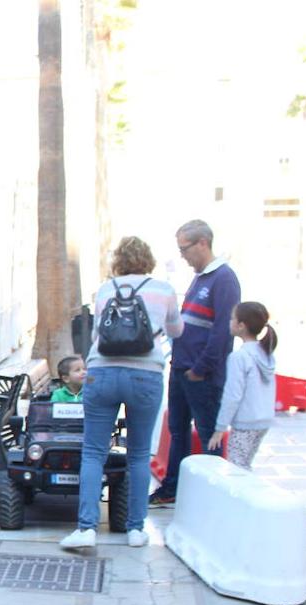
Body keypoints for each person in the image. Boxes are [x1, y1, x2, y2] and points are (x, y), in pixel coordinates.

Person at [61, 236, 183, 552]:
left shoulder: (105, 289)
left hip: (102, 372)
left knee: (93, 452)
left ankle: (86, 528)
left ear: (117, 261)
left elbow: (97, 333)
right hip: (146, 374)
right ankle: (135, 529)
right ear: (149, 259)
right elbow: (176, 331)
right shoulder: (164, 290)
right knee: (139, 454)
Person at [151, 219, 241, 507]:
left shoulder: (224, 278)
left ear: (202, 243)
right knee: (178, 431)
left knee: (208, 433)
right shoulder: (200, 277)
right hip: (181, 367)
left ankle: (213, 495)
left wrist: (201, 368)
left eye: (185, 249)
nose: (183, 256)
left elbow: (222, 332)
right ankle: (172, 488)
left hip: (201, 374)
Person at [210, 301, 277, 469]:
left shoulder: (239, 357)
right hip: (263, 419)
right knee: (245, 465)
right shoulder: (266, 354)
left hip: (245, 421)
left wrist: (220, 428)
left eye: (232, 318)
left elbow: (233, 395)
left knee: (237, 468)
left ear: (241, 326)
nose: (229, 322)